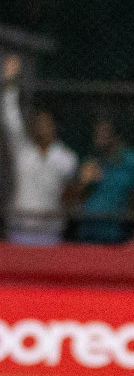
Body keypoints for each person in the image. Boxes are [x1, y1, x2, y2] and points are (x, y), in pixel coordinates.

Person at [1, 54, 77, 246]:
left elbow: (72, 194)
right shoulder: (23, 152)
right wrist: (9, 82)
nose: (41, 127)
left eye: (46, 123)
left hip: (50, 232)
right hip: (20, 229)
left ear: (54, 127)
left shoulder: (66, 158)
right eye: (38, 123)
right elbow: (11, 119)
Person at [73, 117, 134, 245]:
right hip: (88, 233)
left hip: (118, 235)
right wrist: (83, 182)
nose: (98, 137)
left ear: (116, 137)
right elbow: (72, 200)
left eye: (104, 133)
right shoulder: (91, 162)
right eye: (96, 133)